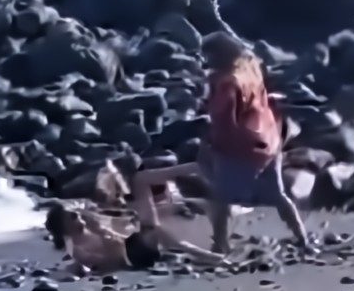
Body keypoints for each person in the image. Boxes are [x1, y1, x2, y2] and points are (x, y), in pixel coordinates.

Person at [130, 32, 313, 255]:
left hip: (243, 146)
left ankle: (220, 244)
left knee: (222, 198)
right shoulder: (250, 66)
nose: (206, 60)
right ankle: (302, 238)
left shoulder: (226, 83)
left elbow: (224, 121)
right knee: (278, 195)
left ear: (219, 55)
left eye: (209, 55)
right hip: (269, 138)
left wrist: (210, 146)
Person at [44, 200, 225, 273]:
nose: (79, 217)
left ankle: (200, 255)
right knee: (152, 233)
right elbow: (100, 264)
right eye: (73, 216)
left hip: (128, 249)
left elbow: (121, 230)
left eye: (77, 213)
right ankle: (203, 257)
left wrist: (107, 231)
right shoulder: (75, 247)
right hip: (125, 260)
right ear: (64, 227)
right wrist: (103, 233)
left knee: (153, 228)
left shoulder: (90, 228)